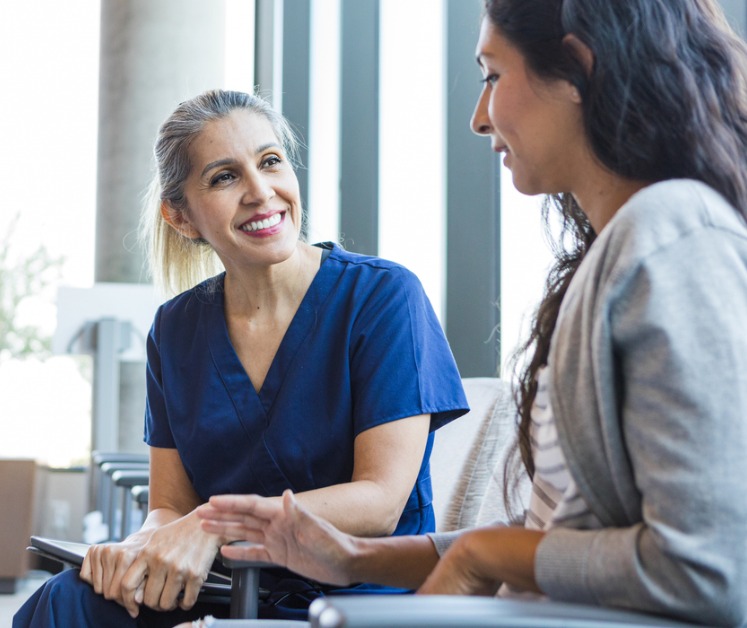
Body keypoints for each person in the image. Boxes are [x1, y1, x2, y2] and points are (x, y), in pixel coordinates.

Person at [196, 1, 747, 626]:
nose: (478, 117)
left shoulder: (674, 237)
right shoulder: (628, 248)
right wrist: (352, 557)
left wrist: (482, 555)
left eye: (491, 76)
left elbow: (708, 571)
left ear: (576, 68)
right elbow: (557, 540)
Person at [13, 89, 469, 627]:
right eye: (224, 177)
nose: (261, 192)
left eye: (270, 162)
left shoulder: (383, 297)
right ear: (180, 217)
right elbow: (170, 505)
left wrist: (212, 526)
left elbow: (380, 501)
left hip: (359, 595)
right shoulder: (176, 329)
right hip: (227, 586)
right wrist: (137, 545)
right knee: (68, 600)